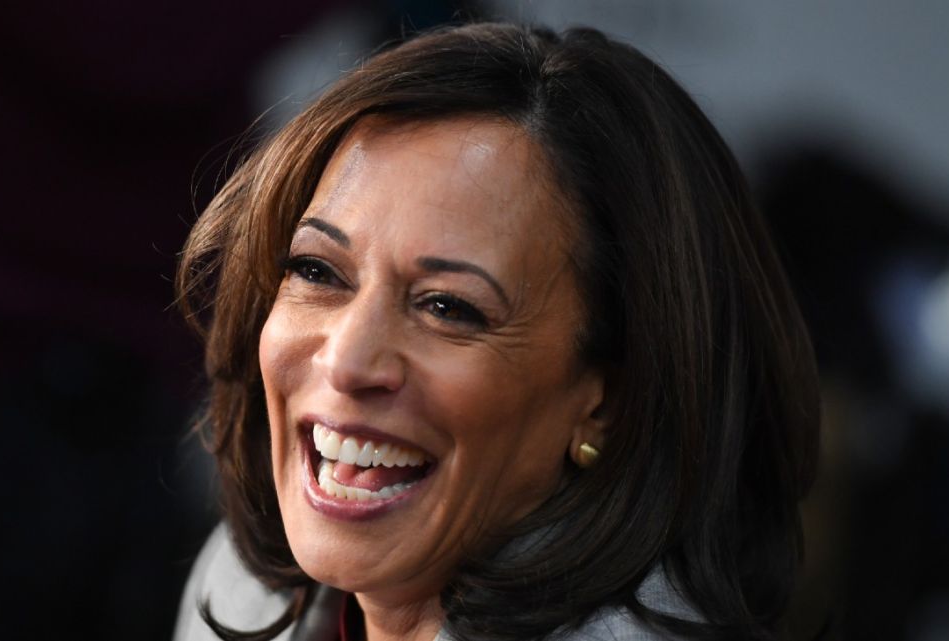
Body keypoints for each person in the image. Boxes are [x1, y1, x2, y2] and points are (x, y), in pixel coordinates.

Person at [172, 22, 819, 641]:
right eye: (317, 269)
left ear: (608, 403)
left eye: (448, 307)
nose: (345, 359)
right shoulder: (241, 587)